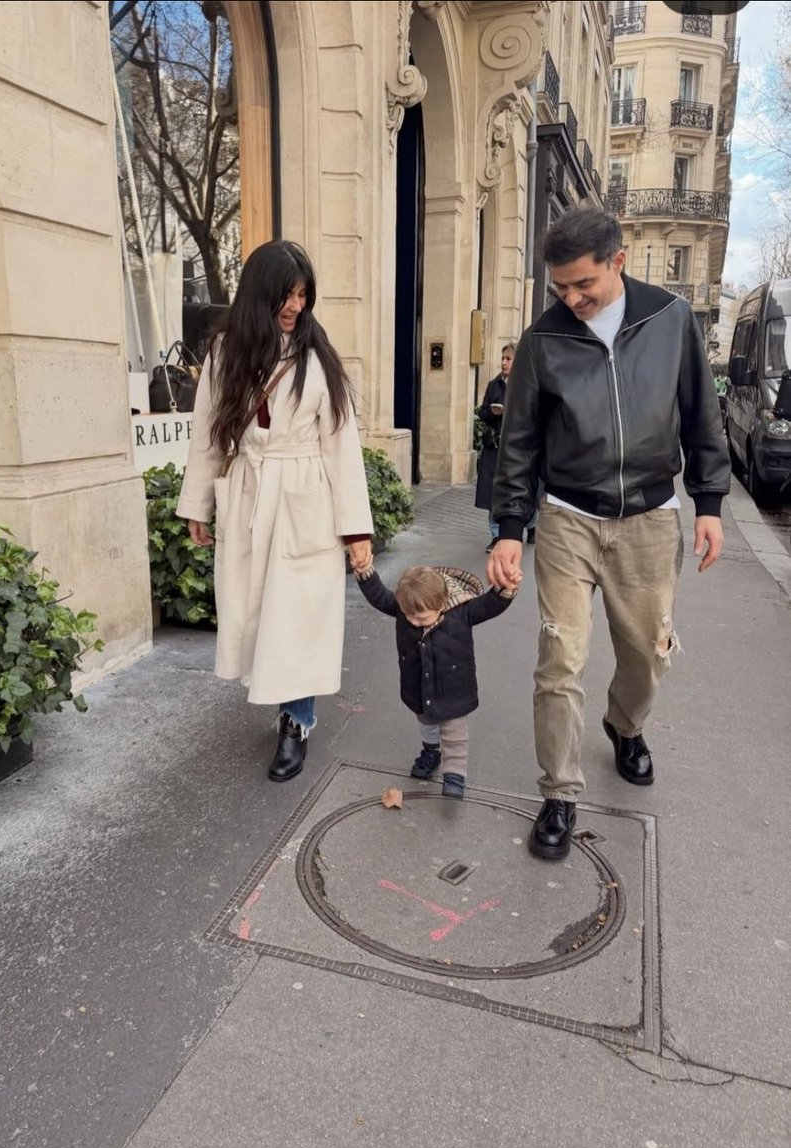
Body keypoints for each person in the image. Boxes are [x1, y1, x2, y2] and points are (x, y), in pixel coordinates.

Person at [487, 207, 730, 861]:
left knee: (646, 654)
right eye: (559, 287)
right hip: (568, 518)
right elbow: (519, 441)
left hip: (650, 519)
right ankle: (560, 792)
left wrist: (709, 502)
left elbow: (700, 412)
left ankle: (624, 724)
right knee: (559, 659)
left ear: (617, 262)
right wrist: (508, 527)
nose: (571, 299)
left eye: (583, 284)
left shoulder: (669, 319)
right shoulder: (543, 339)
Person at [177, 240, 374, 783]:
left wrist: (356, 530)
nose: (295, 306)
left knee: (297, 616)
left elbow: (341, 444)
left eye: (303, 294)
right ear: (259, 295)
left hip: (305, 496)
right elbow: (208, 436)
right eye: (286, 294)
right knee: (257, 611)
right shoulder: (225, 353)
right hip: (249, 492)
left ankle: (297, 720)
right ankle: (284, 705)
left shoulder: (316, 356)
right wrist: (197, 505)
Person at [353, 563, 517, 800]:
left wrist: (505, 589)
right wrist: (365, 573)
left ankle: (455, 775)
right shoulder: (405, 609)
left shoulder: (463, 612)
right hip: (418, 686)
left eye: (421, 618)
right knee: (426, 722)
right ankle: (431, 751)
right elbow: (379, 596)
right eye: (409, 616)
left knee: (455, 734)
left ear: (441, 605)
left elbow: (489, 606)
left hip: (454, 687)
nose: (413, 621)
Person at [474, 343, 536, 552]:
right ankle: (496, 536)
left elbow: (533, 414)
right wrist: (492, 413)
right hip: (494, 447)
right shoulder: (494, 385)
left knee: (523, 491)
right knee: (493, 492)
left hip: (518, 448)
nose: (503, 363)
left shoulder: (526, 384)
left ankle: (531, 524)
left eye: (508, 359)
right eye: (502, 358)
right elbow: (482, 413)